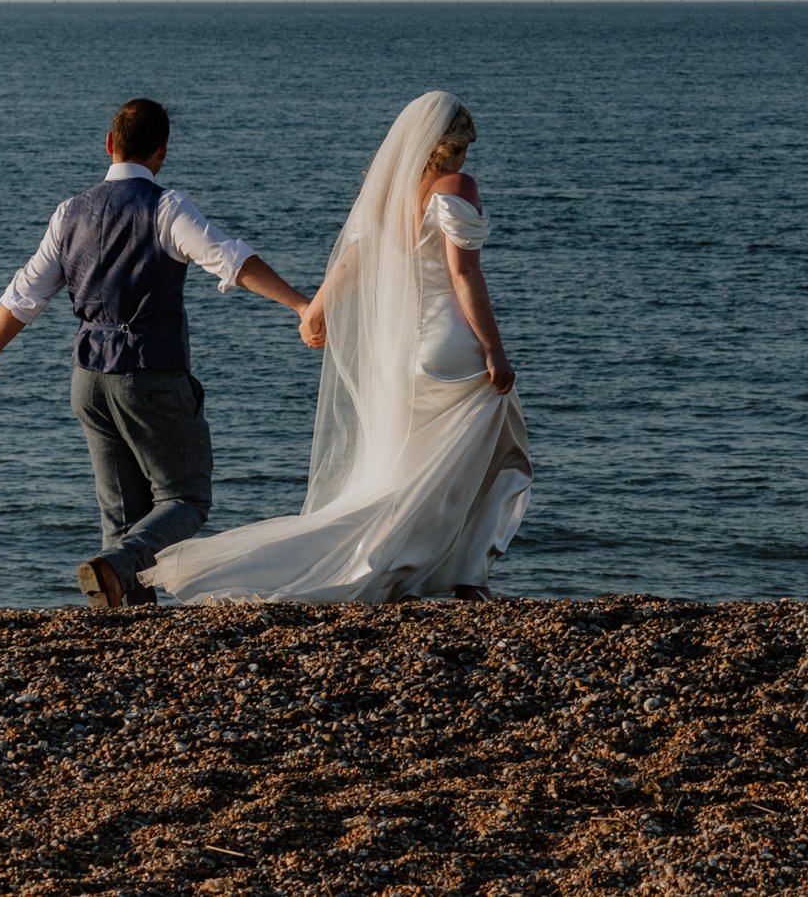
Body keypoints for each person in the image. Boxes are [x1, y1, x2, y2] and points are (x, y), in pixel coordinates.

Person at [142, 90, 530, 603]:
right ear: (451, 147)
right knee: (500, 458)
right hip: (451, 343)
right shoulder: (457, 186)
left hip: (403, 354)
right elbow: (463, 274)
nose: (465, 159)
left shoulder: (388, 191)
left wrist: (315, 311)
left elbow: (353, 260)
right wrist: (494, 350)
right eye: (464, 148)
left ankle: (403, 569)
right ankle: (465, 576)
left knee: (407, 472)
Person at [0, 97, 313, 608]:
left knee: (121, 511)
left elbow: (23, 295)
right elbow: (231, 260)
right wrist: (300, 304)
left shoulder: (69, 212)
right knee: (185, 499)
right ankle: (114, 567)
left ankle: (123, 617)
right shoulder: (166, 207)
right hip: (149, 374)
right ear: (161, 151)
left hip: (88, 379)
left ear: (109, 145)